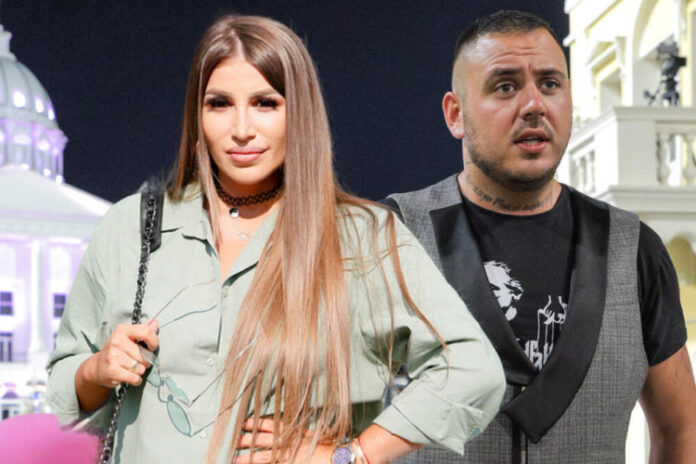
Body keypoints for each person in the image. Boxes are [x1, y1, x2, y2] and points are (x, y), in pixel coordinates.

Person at [46, 15, 505, 464]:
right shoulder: (131, 227)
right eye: (219, 104)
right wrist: (95, 370)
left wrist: (352, 455)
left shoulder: (362, 237)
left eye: (265, 103)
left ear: (298, 112)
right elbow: (61, 391)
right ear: (197, 114)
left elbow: (471, 368)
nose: (242, 129)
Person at [383, 10, 696, 464]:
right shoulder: (391, 235)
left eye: (550, 84)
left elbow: (681, 431)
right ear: (456, 114)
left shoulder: (635, 250)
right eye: (505, 87)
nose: (534, 104)